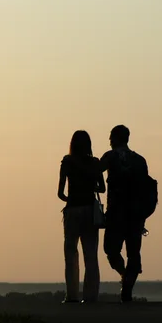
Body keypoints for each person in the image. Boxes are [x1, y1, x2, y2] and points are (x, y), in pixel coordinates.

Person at [99, 125, 149, 303]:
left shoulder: (110, 156)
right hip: (136, 214)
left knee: (111, 250)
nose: (109, 141)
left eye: (111, 137)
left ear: (116, 138)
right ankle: (127, 285)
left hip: (116, 213)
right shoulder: (139, 160)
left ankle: (124, 277)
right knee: (134, 252)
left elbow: (96, 171)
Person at [58, 130, 106, 303]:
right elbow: (102, 188)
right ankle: (91, 295)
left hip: (72, 210)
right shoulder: (94, 162)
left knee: (70, 254)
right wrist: (89, 185)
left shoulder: (67, 162)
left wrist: (71, 197)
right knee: (91, 254)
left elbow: (60, 193)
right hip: (89, 211)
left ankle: (72, 295)